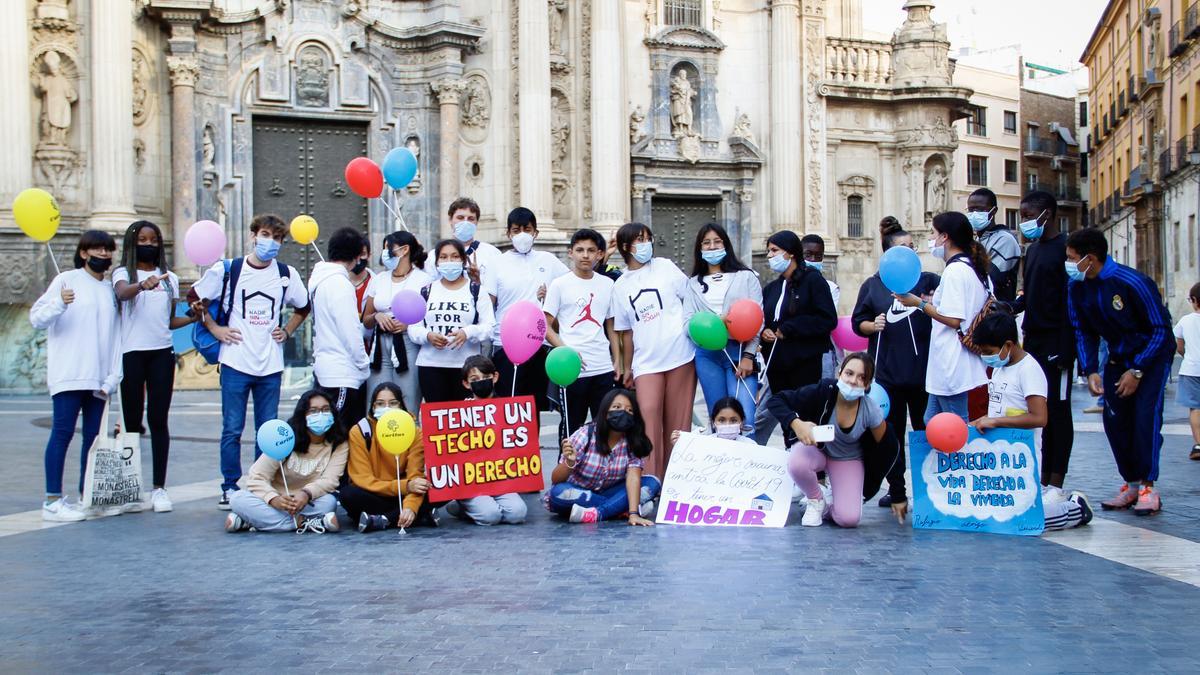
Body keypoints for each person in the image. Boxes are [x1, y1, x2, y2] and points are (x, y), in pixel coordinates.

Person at [188, 214, 311, 510]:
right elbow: (195, 298)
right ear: (253, 235)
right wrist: (216, 329)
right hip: (235, 360)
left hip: (270, 363)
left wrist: (289, 329)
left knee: (266, 430)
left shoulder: (286, 274)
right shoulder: (228, 270)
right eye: (265, 234)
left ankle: (260, 483)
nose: (270, 242)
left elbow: (304, 306)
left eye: (277, 238)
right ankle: (230, 485)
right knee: (232, 428)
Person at [1066, 228, 1175, 515]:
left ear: (1090, 259)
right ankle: (1130, 484)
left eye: (1071, 258)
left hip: (1150, 357)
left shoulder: (1133, 282)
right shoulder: (1077, 287)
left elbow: (1161, 330)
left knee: (1145, 418)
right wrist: (1090, 369)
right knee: (1115, 423)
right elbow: (1082, 329)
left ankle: (1149, 485)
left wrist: (1138, 369)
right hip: (1117, 357)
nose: (1068, 264)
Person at [969, 312, 1094, 530]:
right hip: (1000, 460)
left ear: (1008, 345)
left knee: (1024, 520)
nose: (985, 357)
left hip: (1023, 461)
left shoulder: (1029, 370)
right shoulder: (999, 368)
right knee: (993, 515)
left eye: (988, 352)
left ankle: (1076, 508)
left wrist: (996, 422)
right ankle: (1047, 497)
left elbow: (1040, 417)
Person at [31, 230, 123, 522]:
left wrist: (112, 377)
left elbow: (117, 336)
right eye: (98, 249)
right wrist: (59, 302)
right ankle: (52, 500)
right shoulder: (65, 280)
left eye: (108, 250)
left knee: (94, 439)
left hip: (99, 379)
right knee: (62, 433)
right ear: (84, 253)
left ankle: (88, 495)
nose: (104, 255)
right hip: (69, 374)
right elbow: (37, 318)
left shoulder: (110, 289)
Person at [851, 219, 940, 512]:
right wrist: (871, 325)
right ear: (888, 253)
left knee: (927, 431)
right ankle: (897, 489)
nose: (910, 253)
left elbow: (947, 312)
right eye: (903, 248)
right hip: (887, 377)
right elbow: (857, 323)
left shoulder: (927, 281)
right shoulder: (873, 285)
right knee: (891, 435)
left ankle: (931, 490)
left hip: (923, 374)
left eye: (913, 247)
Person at [113, 220, 195, 514]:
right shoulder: (123, 273)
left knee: (159, 420)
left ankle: (159, 488)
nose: (148, 244)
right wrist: (141, 285)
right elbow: (122, 293)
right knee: (132, 422)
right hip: (131, 354)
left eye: (153, 240)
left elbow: (169, 321)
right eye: (142, 239)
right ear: (132, 244)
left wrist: (193, 317)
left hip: (162, 353)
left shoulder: (169, 278)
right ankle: (128, 486)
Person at [766, 352, 901, 527]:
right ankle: (815, 499)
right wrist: (796, 423)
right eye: (849, 373)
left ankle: (827, 505)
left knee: (849, 519)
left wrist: (895, 492)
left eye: (862, 377)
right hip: (817, 451)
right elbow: (776, 401)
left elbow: (888, 448)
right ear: (839, 373)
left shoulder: (871, 410)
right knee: (797, 462)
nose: (853, 381)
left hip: (847, 459)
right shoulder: (823, 391)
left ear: (867, 385)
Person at [612, 222, 697, 478]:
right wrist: (626, 367)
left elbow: (690, 297)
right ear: (626, 246)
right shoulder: (620, 285)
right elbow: (625, 331)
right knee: (647, 418)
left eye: (648, 238)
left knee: (678, 423)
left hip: (680, 354)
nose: (646, 244)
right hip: (646, 362)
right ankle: (650, 481)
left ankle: (675, 481)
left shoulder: (665, 267)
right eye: (640, 239)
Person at [1008, 191, 1077, 497]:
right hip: (1033, 339)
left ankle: (1056, 480)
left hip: (1057, 341)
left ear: (1046, 214)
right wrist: (1013, 307)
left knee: (1059, 411)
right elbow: (1031, 292)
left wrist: (1067, 346)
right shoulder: (1033, 250)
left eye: (1026, 215)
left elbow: (1071, 302)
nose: (1023, 221)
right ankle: (1041, 474)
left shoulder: (1065, 249)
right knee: (1037, 408)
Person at [895, 211, 990, 424]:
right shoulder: (972, 268)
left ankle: (957, 456)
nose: (930, 238)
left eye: (933, 233)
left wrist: (918, 303)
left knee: (953, 422)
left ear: (944, 237)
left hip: (953, 360)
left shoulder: (956, 270)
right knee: (931, 419)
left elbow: (954, 318)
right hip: (948, 361)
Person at [225, 390, 348, 534]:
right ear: (303, 415)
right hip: (275, 500)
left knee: (329, 502)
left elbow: (330, 480)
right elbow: (257, 477)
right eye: (313, 411)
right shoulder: (285, 439)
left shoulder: (339, 443)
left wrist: (306, 494)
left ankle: (253, 521)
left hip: (307, 500)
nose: (320, 415)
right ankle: (304, 523)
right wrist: (274, 499)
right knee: (237, 498)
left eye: (326, 410)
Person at [484, 207, 568, 407]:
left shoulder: (548, 261)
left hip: (539, 342)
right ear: (508, 233)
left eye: (527, 229)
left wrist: (551, 297)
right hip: (505, 343)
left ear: (535, 233)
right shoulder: (497, 263)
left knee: (533, 404)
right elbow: (489, 304)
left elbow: (570, 288)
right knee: (508, 402)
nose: (522, 234)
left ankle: (534, 439)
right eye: (516, 230)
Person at [685, 224, 762, 434]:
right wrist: (714, 323)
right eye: (707, 243)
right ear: (700, 249)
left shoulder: (746, 277)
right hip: (707, 355)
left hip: (740, 352)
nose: (712, 247)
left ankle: (750, 465)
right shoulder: (692, 284)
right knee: (718, 419)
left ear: (726, 244)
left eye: (717, 241)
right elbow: (688, 324)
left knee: (745, 420)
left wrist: (748, 355)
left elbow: (757, 318)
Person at [544, 228, 619, 440]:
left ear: (599, 254)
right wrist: (565, 351)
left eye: (590, 250)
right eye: (580, 250)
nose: (585, 255)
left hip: (602, 367)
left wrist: (618, 360)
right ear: (571, 253)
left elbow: (611, 325)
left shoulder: (607, 284)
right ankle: (566, 472)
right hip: (571, 370)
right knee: (571, 429)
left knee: (605, 427)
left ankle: (603, 471)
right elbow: (545, 325)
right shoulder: (559, 284)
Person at [547, 388, 660, 525]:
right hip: (579, 494)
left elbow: (633, 478)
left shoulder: (632, 441)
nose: (623, 413)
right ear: (605, 411)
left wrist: (634, 515)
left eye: (630, 410)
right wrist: (569, 462)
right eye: (617, 407)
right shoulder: (584, 435)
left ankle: (598, 514)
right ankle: (618, 509)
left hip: (610, 492)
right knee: (558, 493)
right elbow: (556, 479)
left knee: (652, 483)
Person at [440, 355, 529, 525]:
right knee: (491, 516)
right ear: (466, 383)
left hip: (499, 479)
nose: (481, 382)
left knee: (518, 514)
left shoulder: (508, 411)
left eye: (486, 377)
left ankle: (471, 508)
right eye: (475, 379)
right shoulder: (457, 414)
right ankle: (463, 506)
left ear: (495, 377)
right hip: (470, 481)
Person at [760, 230, 838, 419]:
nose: (770, 256)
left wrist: (789, 329)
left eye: (774, 250)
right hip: (777, 366)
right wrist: (766, 331)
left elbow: (827, 319)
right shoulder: (773, 288)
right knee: (786, 416)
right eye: (769, 251)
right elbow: (765, 319)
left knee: (806, 415)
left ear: (790, 252)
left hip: (804, 364)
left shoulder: (812, 280)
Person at [410, 239, 495, 403]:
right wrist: (428, 335)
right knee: (438, 422)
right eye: (443, 257)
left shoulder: (476, 290)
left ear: (463, 260)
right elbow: (414, 328)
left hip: (467, 369)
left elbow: (489, 326)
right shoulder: (426, 291)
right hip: (431, 366)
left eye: (455, 256)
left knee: (465, 423)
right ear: (436, 262)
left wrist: (467, 332)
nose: (449, 261)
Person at [341, 382, 429, 532]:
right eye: (380, 404)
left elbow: (416, 477)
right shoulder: (360, 432)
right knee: (348, 495)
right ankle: (420, 516)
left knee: (437, 489)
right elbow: (363, 479)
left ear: (401, 406)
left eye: (393, 403)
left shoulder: (415, 432)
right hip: (375, 493)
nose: (387, 408)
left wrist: (410, 507)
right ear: (373, 408)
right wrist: (405, 486)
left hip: (406, 493)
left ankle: (383, 520)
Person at [308, 227, 371, 431]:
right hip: (341, 373)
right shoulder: (340, 284)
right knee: (340, 432)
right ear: (356, 255)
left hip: (327, 366)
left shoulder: (321, 281)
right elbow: (350, 329)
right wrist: (363, 363)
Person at [362, 231, 432, 412]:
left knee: (408, 400)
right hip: (380, 344)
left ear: (404, 250)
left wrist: (409, 324)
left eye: (388, 248)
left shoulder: (423, 280)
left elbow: (430, 317)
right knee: (376, 399)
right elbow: (366, 319)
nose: (385, 253)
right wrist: (377, 316)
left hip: (408, 343)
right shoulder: (379, 279)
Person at [966, 188, 1021, 302]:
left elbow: (989, 277)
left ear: (993, 211)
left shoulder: (1004, 239)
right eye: (971, 210)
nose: (974, 214)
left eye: (980, 209)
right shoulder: (977, 239)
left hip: (996, 312)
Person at [801, 234, 842, 380]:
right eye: (808, 255)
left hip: (821, 351)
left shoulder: (831, 288)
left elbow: (825, 320)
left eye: (818, 256)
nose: (813, 260)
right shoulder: (787, 286)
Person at [445, 197, 501, 284]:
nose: (465, 222)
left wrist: (477, 280)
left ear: (477, 222)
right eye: (460, 218)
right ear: (450, 220)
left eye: (471, 219)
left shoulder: (492, 254)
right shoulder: (436, 255)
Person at [1175, 282, 1200, 460]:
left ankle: (1198, 444)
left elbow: (1179, 345)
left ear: (1194, 301)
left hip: (1191, 368)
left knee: (1195, 408)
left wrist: (1187, 356)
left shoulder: (1185, 320)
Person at [672, 397, 758, 446]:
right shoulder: (703, 443)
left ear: (741, 422)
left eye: (733, 420)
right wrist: (679, 443)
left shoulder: (750, 445)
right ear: (713, 422)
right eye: (721, 420)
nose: (727, 425)